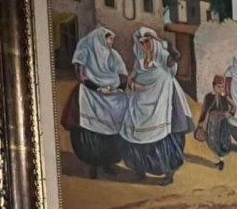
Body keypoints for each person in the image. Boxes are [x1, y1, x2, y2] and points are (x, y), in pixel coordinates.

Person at [120, 27, 193, 185]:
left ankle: (168, 173)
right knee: (136, 139)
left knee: (164, 141)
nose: (145, 45)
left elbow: (176, 56)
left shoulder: (164, 59)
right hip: (140, 105)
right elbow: (132, 79)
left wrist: (162, 41)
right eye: (141, 42)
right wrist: (134, 85)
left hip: (162, 104)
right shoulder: (139, 62)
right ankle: (140, 170)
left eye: (147, 41)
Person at [60, 26, 127, 179]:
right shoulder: (86, 51)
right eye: (110, 39)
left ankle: (109, 163)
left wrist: (117, 89)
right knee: (90, 134)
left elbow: (123, 75)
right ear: (101, 39)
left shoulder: (113, 55)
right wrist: (97, 88)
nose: (112, 42)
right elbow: (81, 75)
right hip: (90, 94)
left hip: (111, 95)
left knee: (117, 123)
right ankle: (93, 165)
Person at [195, 74, 231, 170]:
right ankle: (220, 159)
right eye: (218, 87)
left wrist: (227, 114)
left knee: (222, 141)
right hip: (211, 125)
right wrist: (201, 121)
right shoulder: (209, 97)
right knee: (212, 142)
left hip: (222, 124)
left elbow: (228, 109)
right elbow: (204, 110)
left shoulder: (224, 97)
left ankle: (221, 160)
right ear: (213, 86)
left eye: (222, 87)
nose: (220, 89)